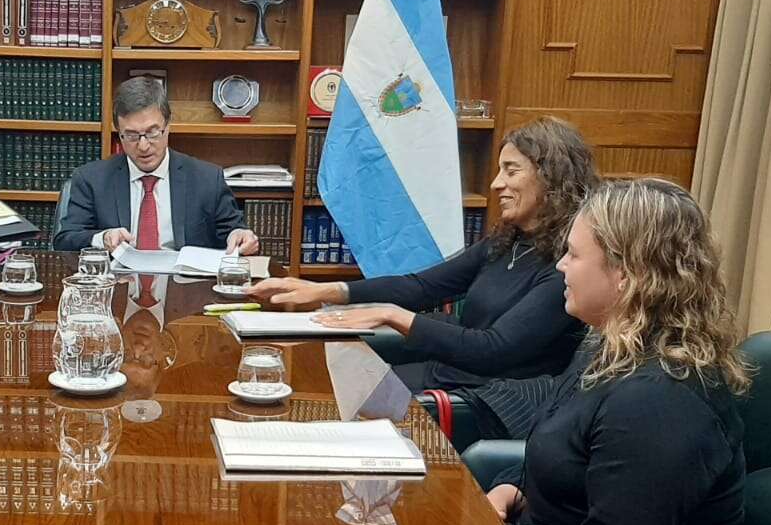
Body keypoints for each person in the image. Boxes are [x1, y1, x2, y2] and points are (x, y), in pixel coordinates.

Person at [488, 178, 750, 525]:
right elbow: (564, 451)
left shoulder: (659, 401)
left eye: (574, 254)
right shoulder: (608, 346)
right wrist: (514, 487)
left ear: (626, 274)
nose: (560, 265)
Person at [249, 116, 598, 394]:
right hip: (447, 374)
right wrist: (324, 290)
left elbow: (493, 350)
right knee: (321, 381)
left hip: (483, 398)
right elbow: (422, 287)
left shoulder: (568, 266)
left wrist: (392, 315)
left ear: (551, 177)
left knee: (330, 393)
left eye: (511, 170)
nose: (495, 184)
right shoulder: (508, 242)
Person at [52, 76, 259, 255]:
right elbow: (65, 240)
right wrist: (102, 238)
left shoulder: (206, 178)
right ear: (119, 133)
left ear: (168, 126)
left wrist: (239, 235)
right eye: (131, 135)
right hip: (118, 283)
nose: (143, 146)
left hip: (185, 284)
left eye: (152, 133)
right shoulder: (91, 179)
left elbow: (233, 231)